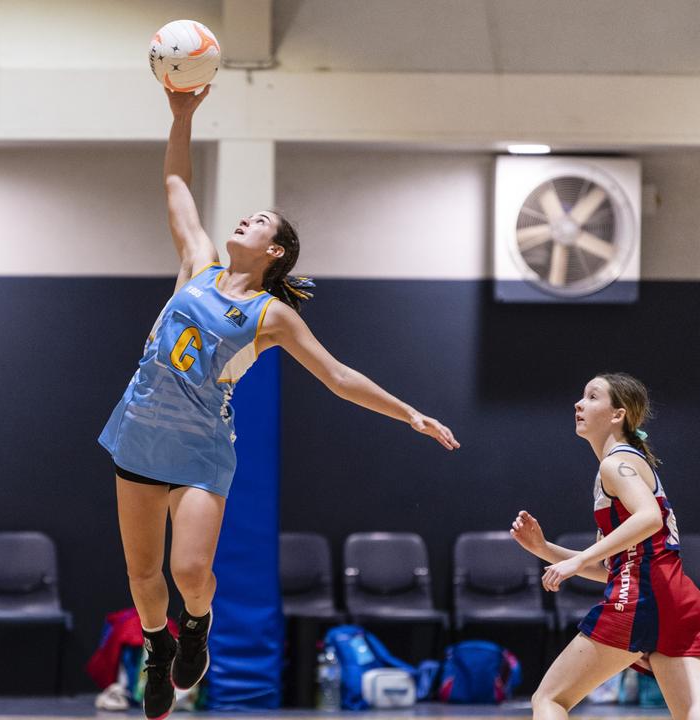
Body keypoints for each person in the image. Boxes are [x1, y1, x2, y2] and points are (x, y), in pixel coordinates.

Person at [99, 85, 459, 720]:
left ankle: (197, 628)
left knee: (188, 573)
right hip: (137, 433)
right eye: (249, 214)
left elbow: (338, 377)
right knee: (142, 579)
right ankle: (157, 651)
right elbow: (177, 183)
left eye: (261, 220)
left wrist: (409, 412)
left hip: (200, 448)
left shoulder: (271, 315)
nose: (247, 218)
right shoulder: (197, 265)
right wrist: (181, 117)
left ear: (276, 253)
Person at [510, 373, 700, 720]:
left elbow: (648, 518)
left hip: (641, 598)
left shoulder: (616, 464)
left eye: (592, 397)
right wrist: (543, 548)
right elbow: (616, 569)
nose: (579, 404)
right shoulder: (626, 463)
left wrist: (576, 560)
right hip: (677, 596)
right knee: (695, 713)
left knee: (549, 699)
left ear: (618, 414)